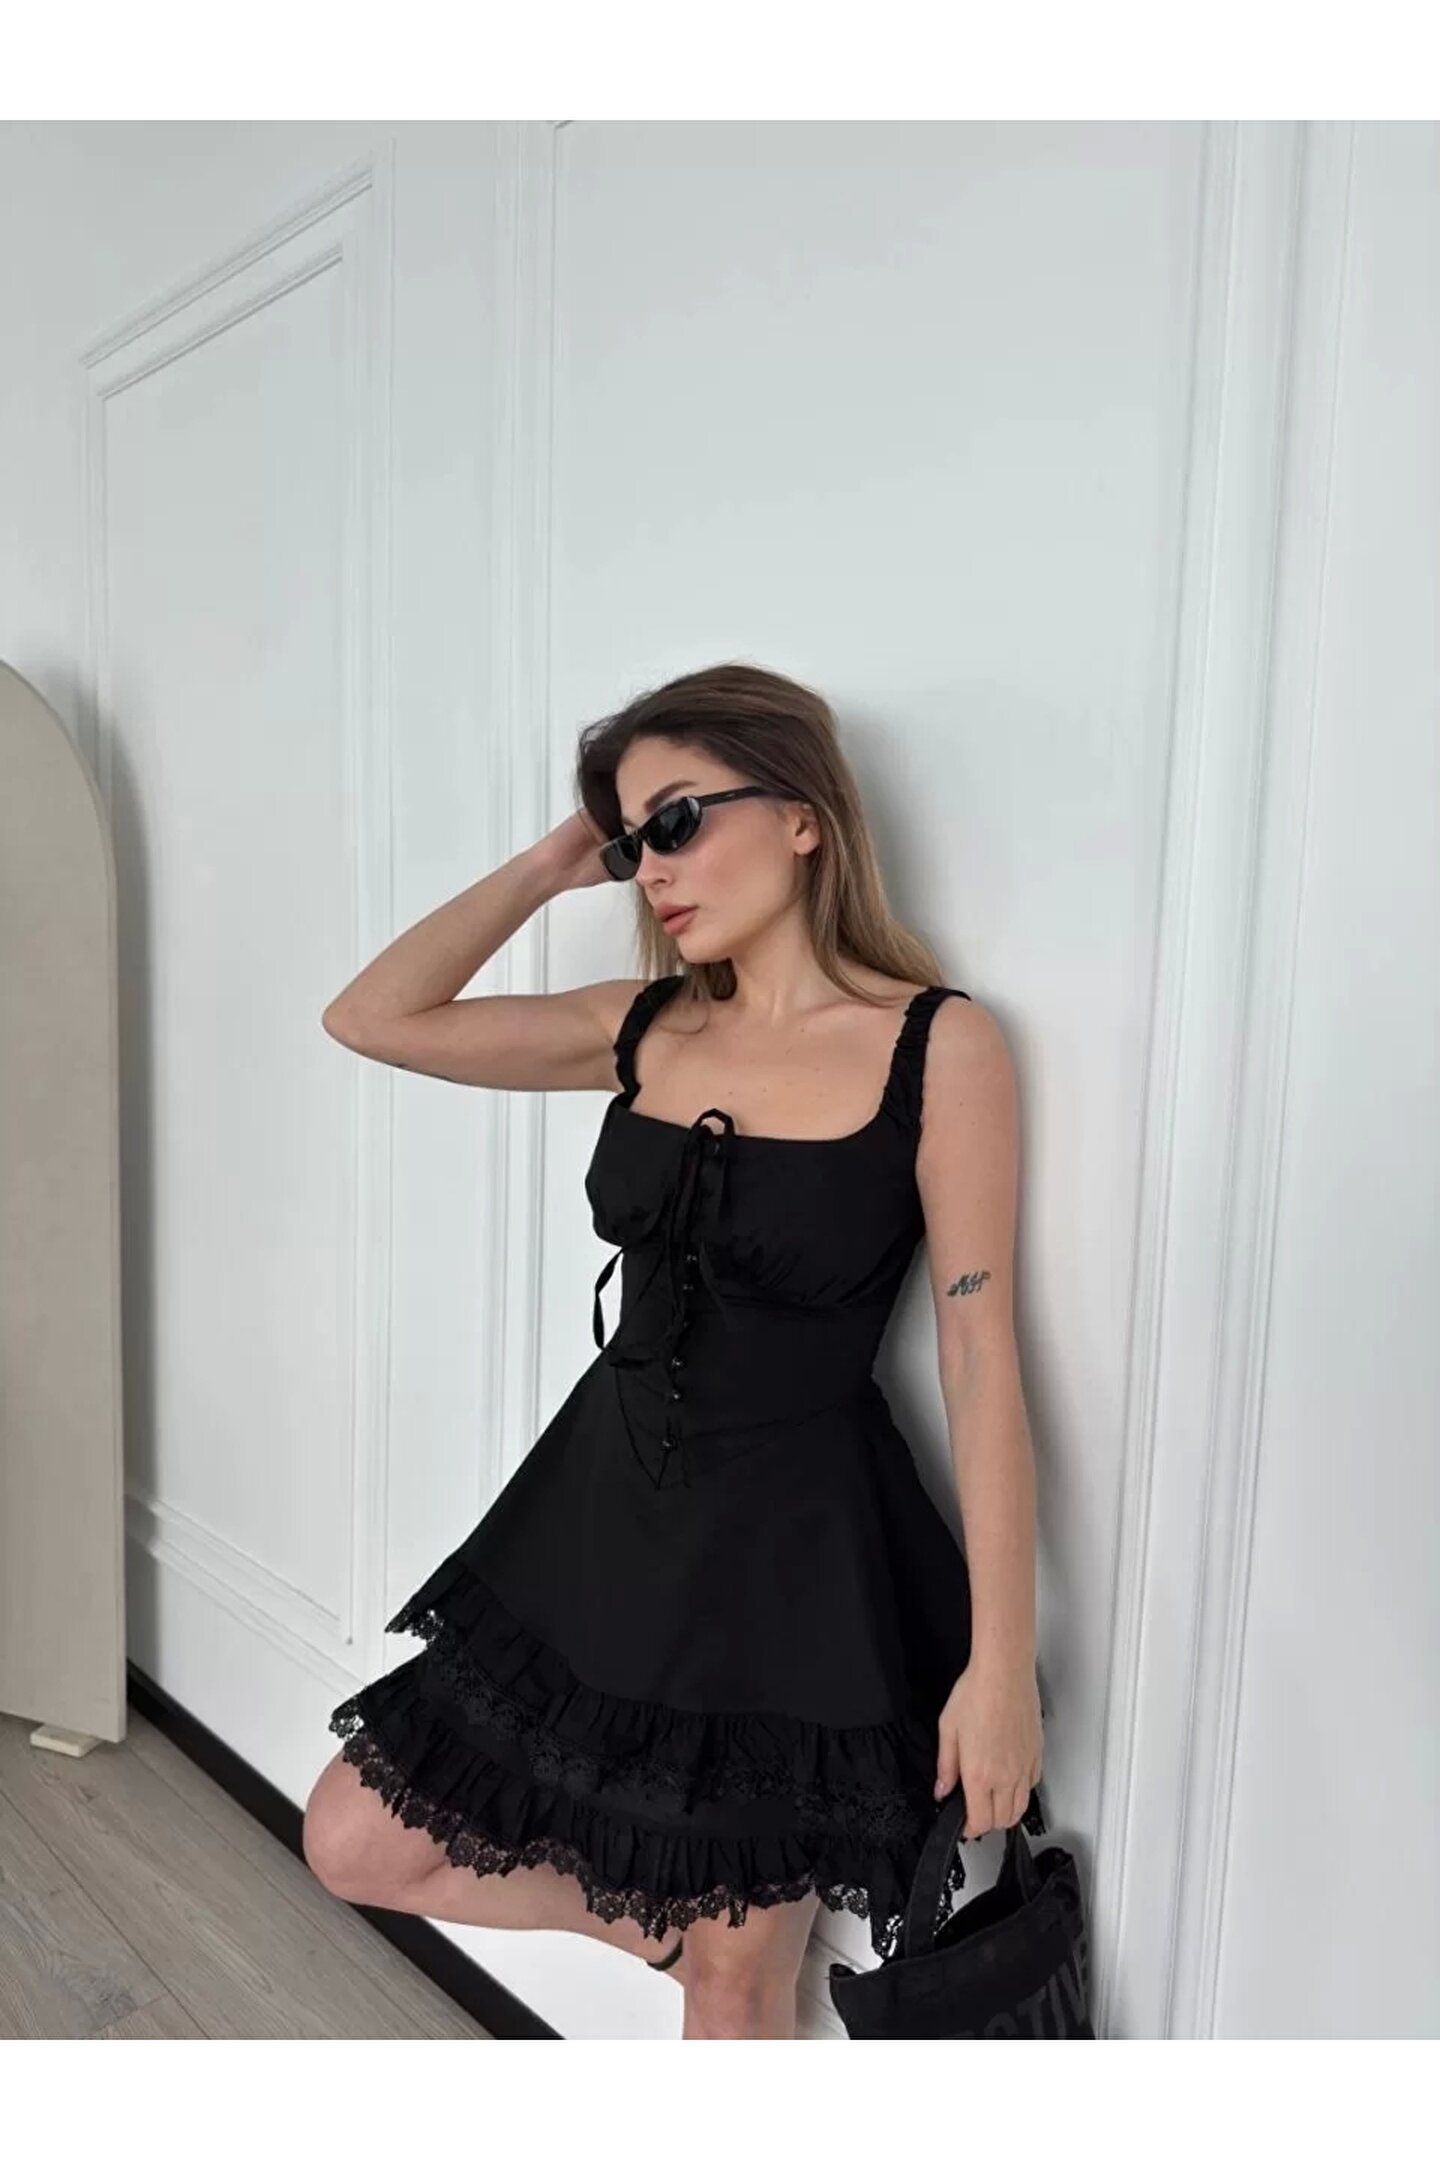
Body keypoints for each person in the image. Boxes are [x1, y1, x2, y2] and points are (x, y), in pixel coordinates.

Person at [301, 661, 1044, 2041]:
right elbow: (371, 1018)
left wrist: (1001, 1666)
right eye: (634, 838)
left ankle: (722, 1963)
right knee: (351, 1838)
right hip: (600, 1515)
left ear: (805, 816)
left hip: (792, 1565)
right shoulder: (642, 1028)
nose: (652, 866)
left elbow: (980, 1355)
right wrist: (553, 861)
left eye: (681, 819)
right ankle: (683, 1928)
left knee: (735, 1991)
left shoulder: (938, 1046)